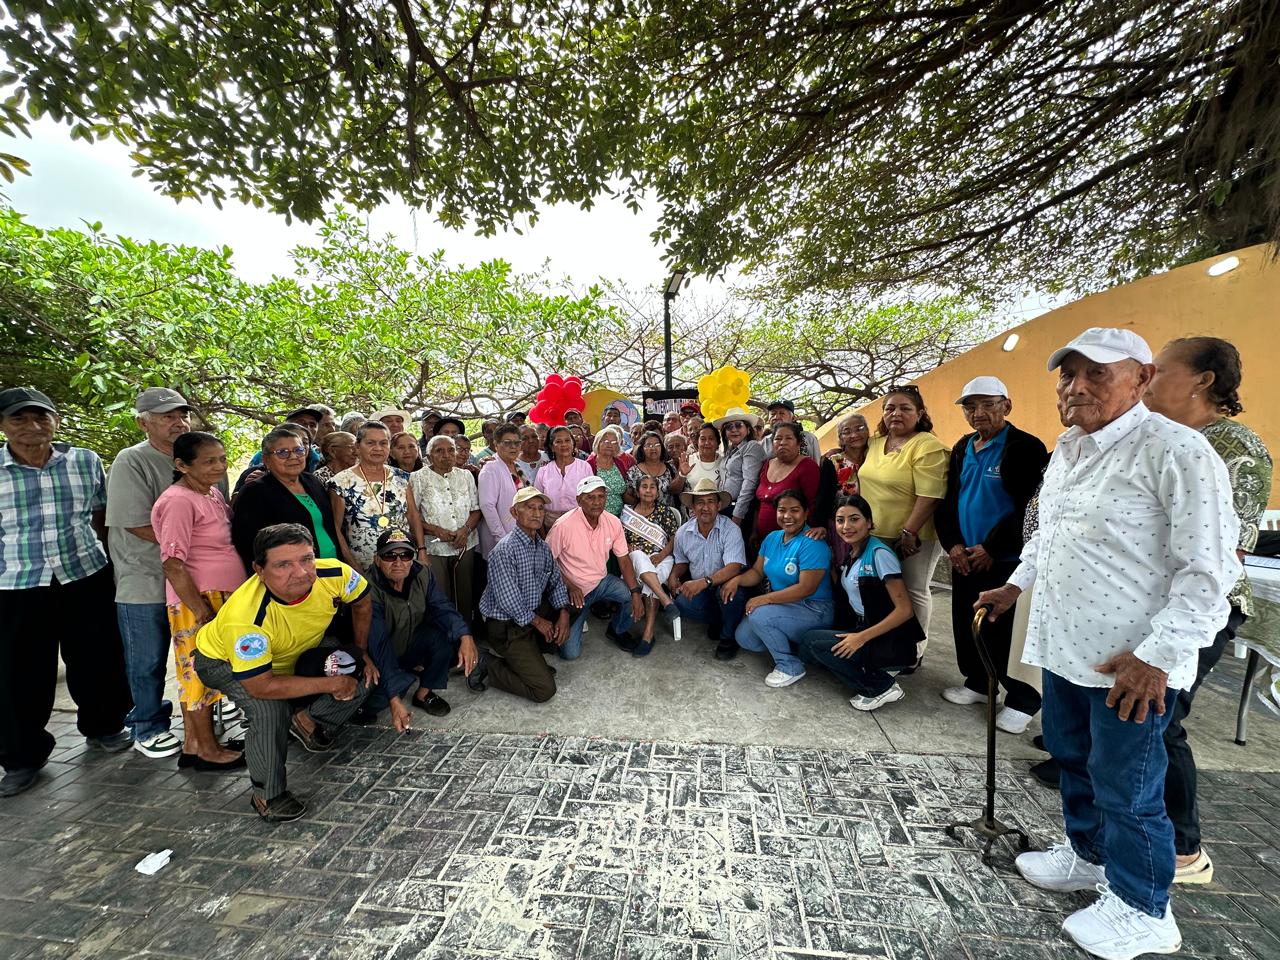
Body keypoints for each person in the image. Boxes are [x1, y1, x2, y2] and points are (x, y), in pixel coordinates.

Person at [977, 328, 1241, 960]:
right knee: (1073, 759)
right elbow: (1049, 535)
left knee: (1129, 788)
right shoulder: (1070, 447)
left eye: (1097, 373)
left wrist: (1158, 657)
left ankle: (1145, 909)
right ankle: (1089, 855)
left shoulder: (1177, 450)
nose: (1077, 386)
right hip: (1066, 646)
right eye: (1068, 375)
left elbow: (1210, 572)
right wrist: (1015, 586)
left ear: (1141, 379)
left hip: (1133, 663)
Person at [1144, 336, 1272, 885]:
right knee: (1141, 718)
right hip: (1152, 600)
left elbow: (1224, 555)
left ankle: (1184, 850)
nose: (1147, 379)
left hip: (1202, 608)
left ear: (1203, 380)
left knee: (1163, 717)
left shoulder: (1233, 447)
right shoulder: (1164, 436)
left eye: (1159, 370)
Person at [0, 388, 133, 797]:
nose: (32, 426)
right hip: (17, 583)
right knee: (19, 672)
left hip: (85, 573)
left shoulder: (84, 460)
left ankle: (105, 726)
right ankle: (22, 757)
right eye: (19, 418)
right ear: (3, 425)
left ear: (55, 421)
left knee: (98, 656)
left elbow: (101, 514)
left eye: (41, 417)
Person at [194, 524, 375, 822]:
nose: (301, 572)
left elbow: (363, 603)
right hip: (225, 663)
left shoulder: (334, 573)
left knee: (362, 672)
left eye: (306, 559)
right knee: (270, 710)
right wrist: (332, 683)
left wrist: (360, 651)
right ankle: (267, 795)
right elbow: (261, 686)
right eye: (283, 565)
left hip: (295, 650)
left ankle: (306, 721)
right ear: (259, 570)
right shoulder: (246, 619)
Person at [934, 376, 1049, 735]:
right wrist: (953, 544)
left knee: (1008, 632)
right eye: (970, 407)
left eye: (987, 404)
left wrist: (992, 548)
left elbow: (1030, 507)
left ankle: (1021, 700)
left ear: (1006, 406)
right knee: (967, 623)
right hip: (965, 555)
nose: (978, 412)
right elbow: (949, 499)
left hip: (1007, 560)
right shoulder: (963, 446)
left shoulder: (1025, 447)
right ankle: (980, 683)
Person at [106, 386, 197, 759]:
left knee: (199, 651)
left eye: (182, 415)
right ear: (143, 423)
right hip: (145, 580)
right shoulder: (132, 461)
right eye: (167, 416)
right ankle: (147, 724)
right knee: (147, 661)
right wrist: (197, 540)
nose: (179, 422)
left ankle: (203, 714)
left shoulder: (197, 457)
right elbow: (135, 523)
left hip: (190, 578)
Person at [151, 431, 248, 770]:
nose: (219, 467)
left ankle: (195, 743)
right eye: (209, 461)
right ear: (182, 465)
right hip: (199, 599)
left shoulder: (210, 492)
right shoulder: (178, 500)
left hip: (221, 595)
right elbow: (172, 563)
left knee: (210, 669)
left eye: (222, 459)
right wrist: (201, 610)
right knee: (197, 672)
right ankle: (207, 749)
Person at [796, 495, 923, 712]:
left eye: (854, 519)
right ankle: (866, 666)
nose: (846, 526)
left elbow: (905, 611)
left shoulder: (879, 554)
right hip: (866, 627)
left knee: (813, 643)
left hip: (889, 640)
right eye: (840, 520)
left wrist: (860, 638)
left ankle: (880, 686)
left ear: (869, 522)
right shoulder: (853, 552)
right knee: (807, 647)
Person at [856, 386, 948, 659]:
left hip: (912, 537)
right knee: (883, 591)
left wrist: (909, 531)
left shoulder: (928, 446)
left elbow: (930, 495)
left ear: (919, 413)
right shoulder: (875, 443)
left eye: (905, 408)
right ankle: (887, 644)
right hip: (874, 535)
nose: (896, 413)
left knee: (913, 589)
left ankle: (914, 652)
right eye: (890, 408)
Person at [365, 528, 478, 725]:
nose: (398, 562)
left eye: (405, 555)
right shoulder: (368, 588)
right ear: (377, 559)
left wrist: (465, 636)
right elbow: (379, 644)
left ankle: (423, 694)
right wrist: (394, 700)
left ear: (413, 558)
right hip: (381, 653)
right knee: (377, 701)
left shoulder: (422, 573)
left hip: (411, 643)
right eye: (389, 556)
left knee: (445, 638)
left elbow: (442, 607)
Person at [469, 487, 572, 703]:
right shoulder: (504, 550)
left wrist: (564, 613)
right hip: (506, 626)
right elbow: (509, 602)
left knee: (571, 608)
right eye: (530, 507)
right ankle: (487, 663)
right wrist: (539, 622)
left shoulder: (542, 547)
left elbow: (556, 582)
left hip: (529, 616)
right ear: (515, 512)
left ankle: (531, 658)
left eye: (541, 508)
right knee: (544, 690)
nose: (537, 513)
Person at [723, 489, 833, 686]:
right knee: (745, 638)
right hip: (785, 606)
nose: (787, 516)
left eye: (795, 510)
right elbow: (757, 573)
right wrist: (736, 580)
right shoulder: (772, 538)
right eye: (782, 510)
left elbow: (806, 589)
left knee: (759, 615)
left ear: (806, 513)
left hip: (814, 608)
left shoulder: (812, 543)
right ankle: (794, 646)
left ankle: (789, 666)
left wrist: (764, 599)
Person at [546, 476, 645, 659]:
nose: (597, 502)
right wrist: (569, 585)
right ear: (578, 500)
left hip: (601, 582)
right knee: (570, 654)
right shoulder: (563, 526)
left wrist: (636, 592)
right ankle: (569, 617)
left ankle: (617, 630)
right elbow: (546, 564)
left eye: (601, 496)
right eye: (590, 497)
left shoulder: (613, 522)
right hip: (574, 592)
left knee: (630, 596)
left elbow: (624, 560)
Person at [232, 427, 344, 570]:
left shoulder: (312, 481)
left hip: (332, 568)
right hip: (292, 573)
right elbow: (247, 543)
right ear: (266, 459)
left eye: (298, 450)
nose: (293, 457)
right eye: (283, 452)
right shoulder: (254, 492)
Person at [668, 478, 748, 661]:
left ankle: (729, 637)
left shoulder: (731, 529)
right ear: (693, 507)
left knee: (730, 594)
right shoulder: (683, 532)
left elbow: (734, 567)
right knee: (682, 602)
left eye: (710, 501)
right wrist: (674, 575)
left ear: (718, 505)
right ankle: (720, 620)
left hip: (724, 583)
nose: (705, 507)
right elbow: (682, 561)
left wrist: (705, 582)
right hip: (703, 587)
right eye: (700, 502)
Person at [405, 435, 481, 623]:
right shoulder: (417, 478)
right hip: (434, 547)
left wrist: (465, 530)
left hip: (465, 544)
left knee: (465, 594)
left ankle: (465, 632)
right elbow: (411, 516)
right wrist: (435, 530)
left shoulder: (465, 476)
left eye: (451, 450)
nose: (446, 455)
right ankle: (445, 633)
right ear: (428, 456)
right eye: (439, 451)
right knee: (440, 594)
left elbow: (476, 510)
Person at [328, 421, 412, 570]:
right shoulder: (340, 482)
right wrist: (353, 566)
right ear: (357, 446)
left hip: (403, 561)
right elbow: (335, 528)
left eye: (383, 443)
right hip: (363, 564)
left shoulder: (402, 477)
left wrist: (422, 550)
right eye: (371, 443)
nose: (378, 448)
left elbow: (412, 516)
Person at [620, 475, 682, 654]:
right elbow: (619, 538)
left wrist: (661, 555)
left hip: (662, 556)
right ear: (637, 491)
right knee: (639, 556)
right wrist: (627, 546)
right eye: (644, 487)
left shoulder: (664, 511)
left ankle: (648, 633)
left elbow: (674, 538)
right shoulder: (627, 512)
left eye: (652, 487)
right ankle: (666, 600)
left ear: (657, 491)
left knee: (650, 580)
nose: (648, 490)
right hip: (635, 560)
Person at [754, 422, 820, 541]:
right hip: (763, 541)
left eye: (788, 438)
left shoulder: (807, 466)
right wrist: (754, 531)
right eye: (778, 438)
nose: (782, 442)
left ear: (798, 443)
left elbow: (812, 505)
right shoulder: (767, 464)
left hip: (794, 540)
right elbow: (758, 505)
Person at [477, 423, 524, 558]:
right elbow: (487, 505)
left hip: (519, 533)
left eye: (517, 443)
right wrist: (501, 538)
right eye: (507, 443)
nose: (513, 447)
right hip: (500, 538)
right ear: (496, 444)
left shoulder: (517, 466)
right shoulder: (490, 468)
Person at [715, 407, 766, 532]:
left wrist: (738, 515)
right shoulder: (730, 451)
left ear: (748, 429)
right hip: (725, 508)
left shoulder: (751, 447)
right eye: (729, 427)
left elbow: (750, 483)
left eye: (738, 425)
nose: (734, 430)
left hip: (741, 510)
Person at [535, 425, 595, 528]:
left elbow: (591, 497)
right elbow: (537, 500)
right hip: (551, 524)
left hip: (579, 522)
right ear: (552, 447)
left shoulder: (584, 467)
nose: (563, 445)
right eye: (558, 441)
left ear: (573, 444)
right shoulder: (544, 470)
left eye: (567, 440)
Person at [244, 406, 325, 474]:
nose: (307, 427)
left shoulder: (322, 458)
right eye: (301, 422)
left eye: (312, 425)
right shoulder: (262, 457)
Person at [626, 430, 685, 509]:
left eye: (657, 445)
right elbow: (627, 496)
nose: (653, 448)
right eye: (649, 445)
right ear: (642, 448)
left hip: (668, 514)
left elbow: (675, 491)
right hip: (642, 514)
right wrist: (642, 506)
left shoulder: (670, 468)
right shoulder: (633, 471)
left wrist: (682, 474)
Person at [588, 426, 634, 517]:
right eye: (606, 442)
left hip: (620, 516)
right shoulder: (589, 465)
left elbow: (625, 491)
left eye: (614, 442)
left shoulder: (620, 463)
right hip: (596, 515)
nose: (610, 445)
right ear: (598, 443)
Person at [824, 414, 870, 496]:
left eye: (859, 429)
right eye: (847, 432)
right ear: (841, 438)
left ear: (867, 431)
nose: (854, 435)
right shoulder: (833, 462)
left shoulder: (876, 454)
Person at [681, 423, 722, 489]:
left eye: (711, 439)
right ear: (697, 442)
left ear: (717, 442)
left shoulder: (724, 462)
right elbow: (674, 490)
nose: (707, 443)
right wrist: (682, 475)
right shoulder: (687, 460)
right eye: (703, 439)